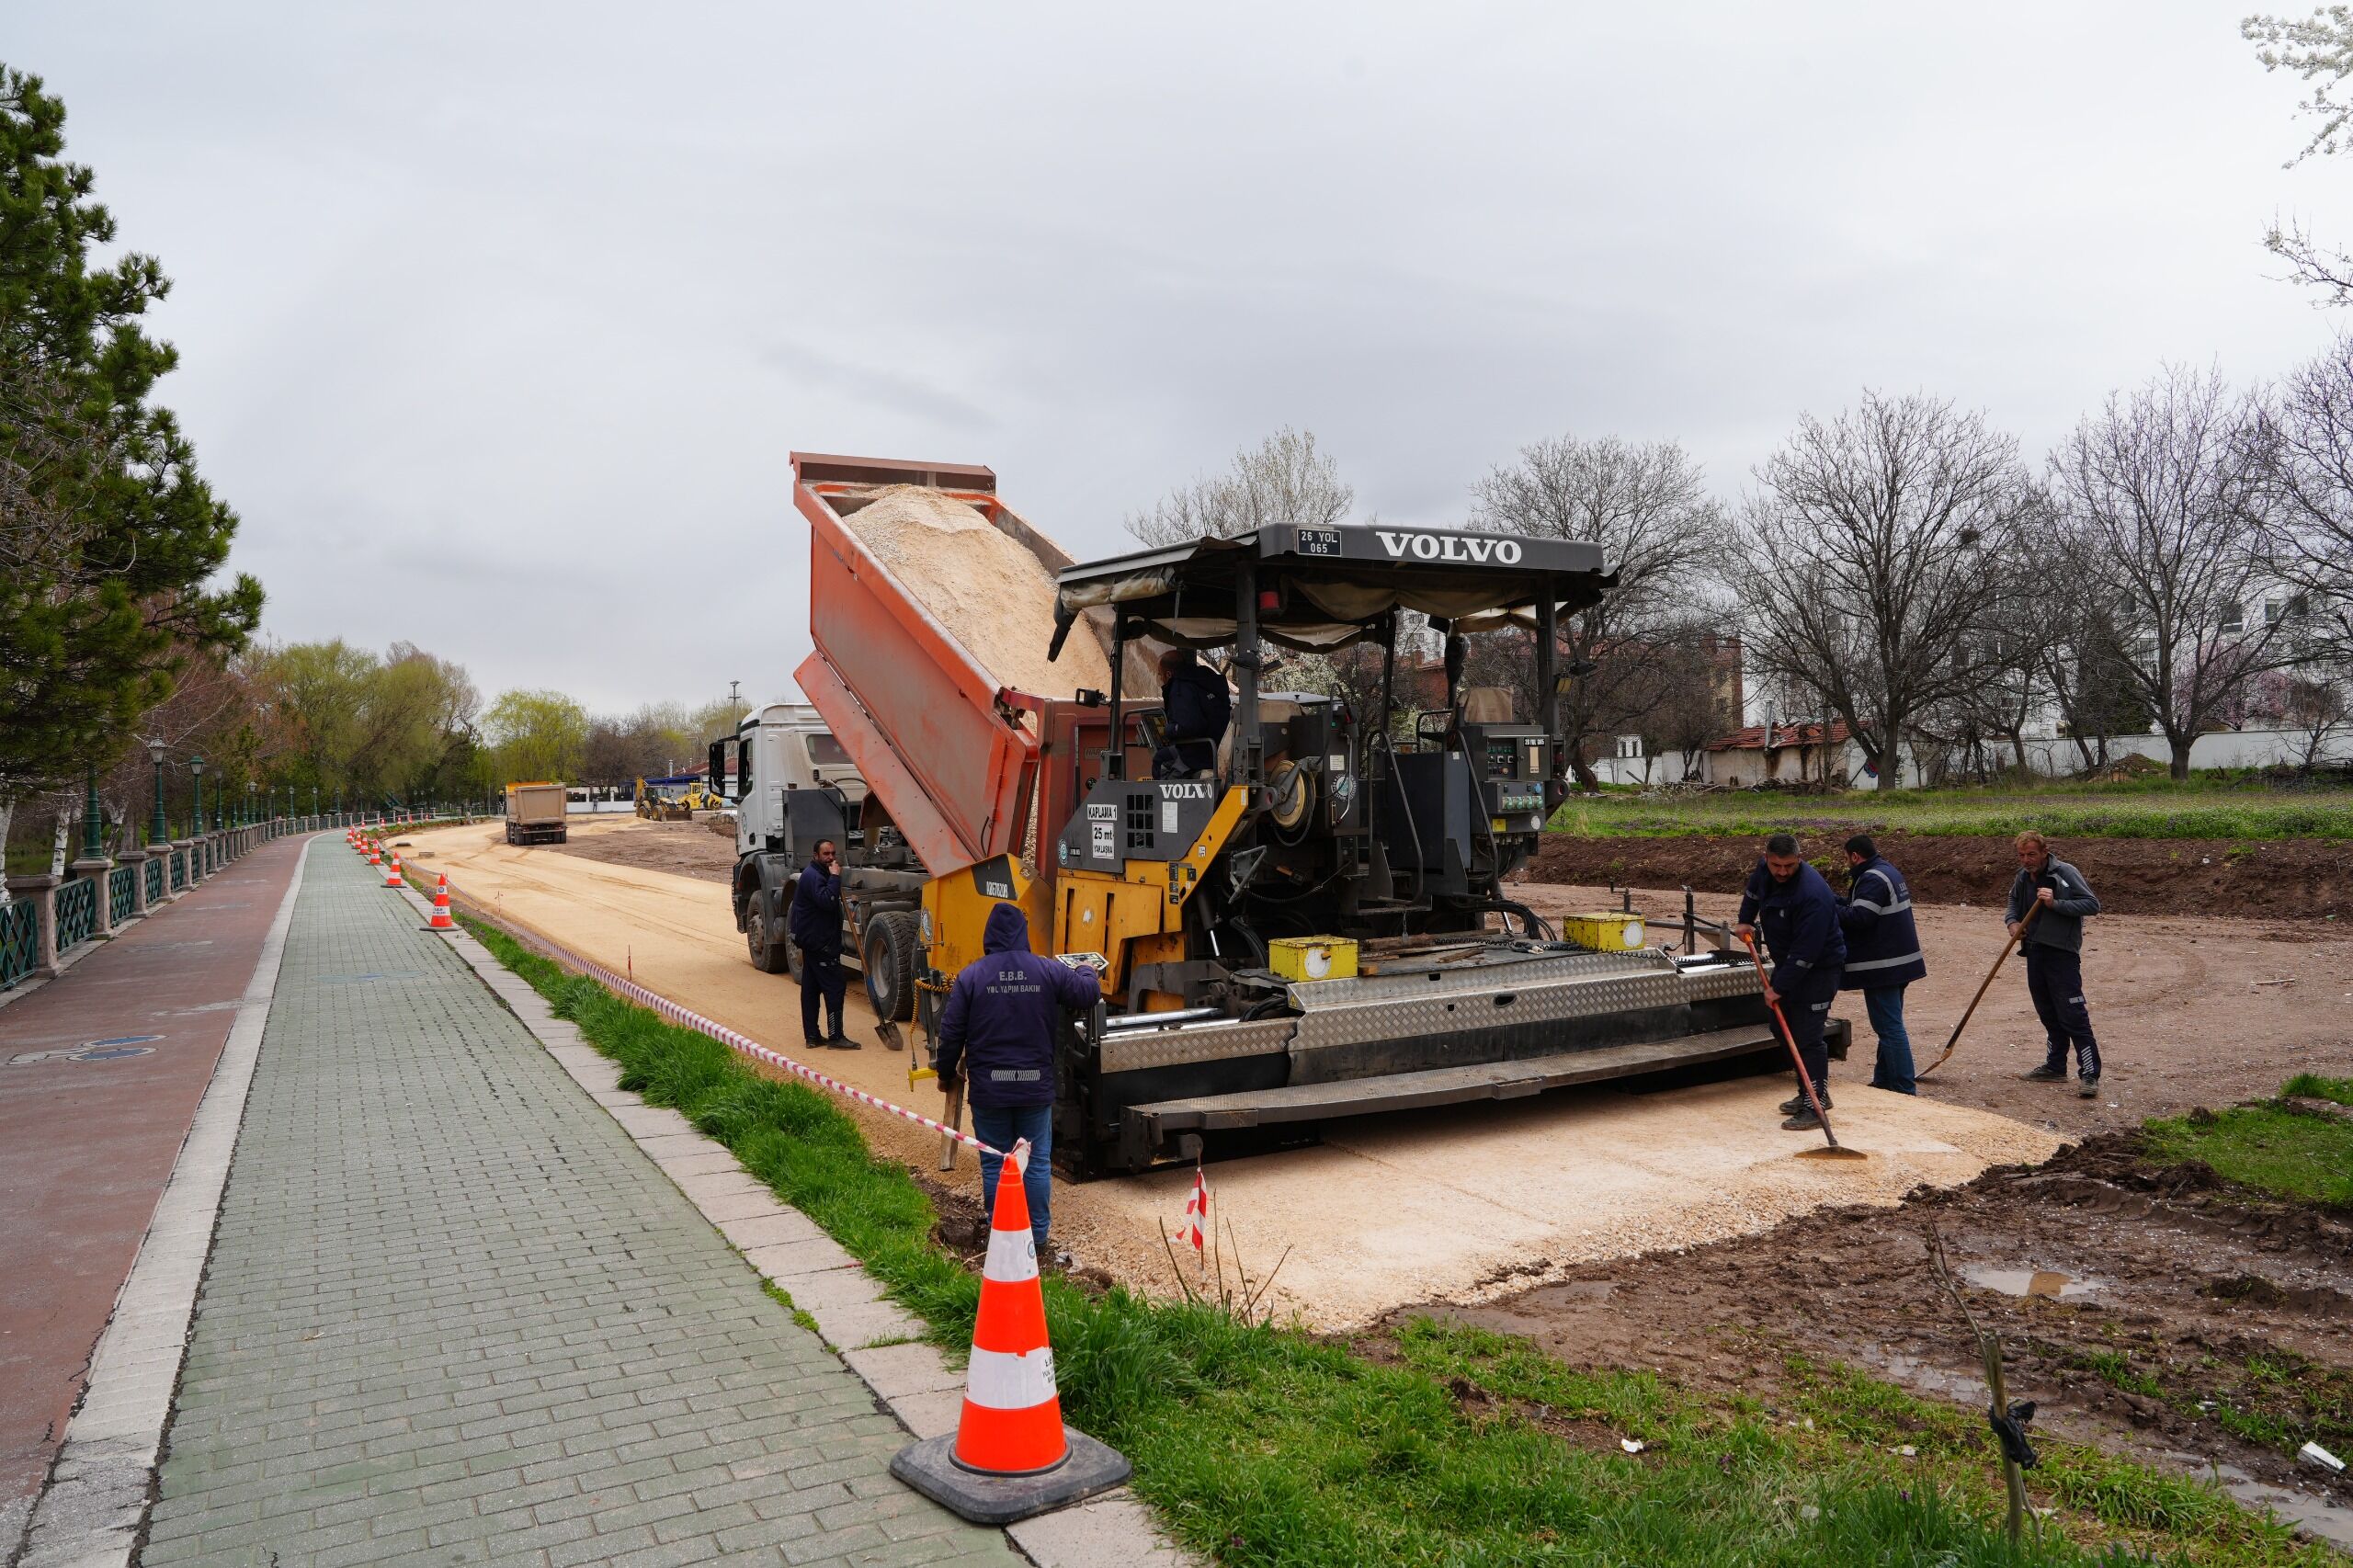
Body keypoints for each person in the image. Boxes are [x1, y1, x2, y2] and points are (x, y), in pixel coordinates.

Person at [934, 903, 1100, 1258]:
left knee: (996, 1162)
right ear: (1022, 935)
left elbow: (950, 1034)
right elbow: (1087, 994)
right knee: (1036, 1163)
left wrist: (945, 1072)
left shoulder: (972, 976)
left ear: (989, 936)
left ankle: (1001, 1234)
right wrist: (1087, 970)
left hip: (989, 1089)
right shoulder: (1046, 970)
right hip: (1033, 1086)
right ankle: (1037, 1240)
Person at [1735, 832, 1847, 1131]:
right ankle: (1808, 1091)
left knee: (1808, 1035)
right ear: (1766, 859)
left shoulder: (1813, 895)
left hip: (1819, 967)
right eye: (1776, 866)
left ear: (1799, 859)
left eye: (1788, 866)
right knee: (1780, 1026)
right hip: (1789, 963)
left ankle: (1816, 1104)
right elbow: (1753, 894)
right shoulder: (1764, 871)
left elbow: (1806, 952)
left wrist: (1778, 988)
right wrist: (1745, 919)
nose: (1782, 872)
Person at [2007, 830, 2103, 1098]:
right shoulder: (2022, 877)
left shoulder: (2065, 873)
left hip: (2062, 954)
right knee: (2048, 1013)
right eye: (2022, 855)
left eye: (2031, 854)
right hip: (2034, 952)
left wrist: (2055, 903)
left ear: (2044, 852)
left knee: (2074, 1017)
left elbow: (2092, 905)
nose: (2026, 860)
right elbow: (2013, 902)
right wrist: (2013, 923)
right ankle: (2055, 1067)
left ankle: (2089, 1074)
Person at [1838, 834, 1926, 1096]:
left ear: (1855, 856)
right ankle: (1884, 1082)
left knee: (1889, 1028)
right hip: (1899, 964)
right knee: (1890, 1025)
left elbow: (1860, 917)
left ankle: (1903, 1089)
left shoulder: (1872, 878)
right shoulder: (1887, 871)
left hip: (1883, 967)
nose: (1847, 864)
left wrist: (1828, 908)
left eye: (1847, 859)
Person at [790, 839, 852, 1049]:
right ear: (815, 855)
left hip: (812, 942)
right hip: (820, 944)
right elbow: (826, 901)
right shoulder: (814, 876)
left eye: (833, 853)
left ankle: (812, 1036)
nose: (831, 857)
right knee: (835, 988)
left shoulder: (815, 874)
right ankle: (836, 1037)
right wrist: (835, 878)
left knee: (811, 989)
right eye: (826, 854)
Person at [1153, 646, 1231, 779]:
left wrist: (1168, 730)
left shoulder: (1180, 688)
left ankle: (1166, 798)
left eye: (1160, 674)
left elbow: (1190, 725)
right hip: (1219, 745)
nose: (1160, 678)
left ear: (1169, 674)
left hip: (1200, 752)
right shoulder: (1205, 678)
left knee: (1160, 759)